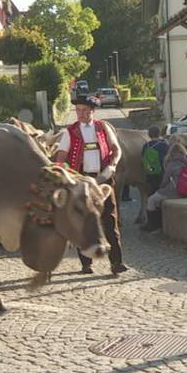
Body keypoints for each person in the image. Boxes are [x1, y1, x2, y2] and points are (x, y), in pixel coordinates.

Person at [54, 95, 129, 275]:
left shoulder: (103, 127)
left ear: (92, 111)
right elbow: (61, 156)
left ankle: (116, 262)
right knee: (82, 222)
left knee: (110, 220)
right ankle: (86, 264)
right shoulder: (69, 132)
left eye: (84, 110)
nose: (80, 113)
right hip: (81, 180)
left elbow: (116, 149)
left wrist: (112, 165)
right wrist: (63, 175)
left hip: (104, 179)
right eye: (78, 110)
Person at [143, 142, 187, 232]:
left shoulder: (172, 163)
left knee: (151, 200)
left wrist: (160, 188)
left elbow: (165, 180)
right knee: (158, 200)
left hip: (174, 191)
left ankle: (152, 225)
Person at [141, 125, 169, 198]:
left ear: (149, 135)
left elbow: (143, 158)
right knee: (161, 191)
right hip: (161, 172)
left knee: (151, 191)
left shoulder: (146, 145)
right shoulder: (164, 145)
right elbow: (168, 158)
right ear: (159, 134)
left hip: (150, 172)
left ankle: (151, 206)